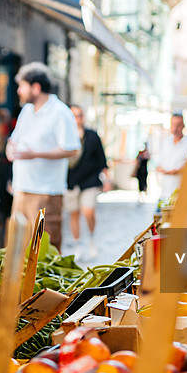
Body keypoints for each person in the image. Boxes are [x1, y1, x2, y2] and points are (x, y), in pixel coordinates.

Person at [6, 62, 80, 251]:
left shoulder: (61, 112)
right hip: (21, 189)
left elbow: (72, 149)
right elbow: (14, 140)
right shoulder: (27, 111)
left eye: (22, 86)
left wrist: (35, 154)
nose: (19, 91)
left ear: (36, 88)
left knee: (45, 250)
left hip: (46, 193)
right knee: (17, 249)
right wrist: (10, 148)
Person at [66, 105, 111, 259]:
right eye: (73, 116)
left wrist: (107, 180)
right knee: (74, 214)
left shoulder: (92, 135)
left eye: (78, 115)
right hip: (71, 181)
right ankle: (77, 245)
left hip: (90, 180)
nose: (76, 119)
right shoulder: (65, 135)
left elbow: (102, 159)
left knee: (88, 210)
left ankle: (92, 238)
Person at [156, 112, 187, 202]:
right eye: (173, 125)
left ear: (183, 126)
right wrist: (161, 169)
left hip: (182, 194)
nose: (175, 129)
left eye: (178, 125)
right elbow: (158, 162)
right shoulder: (165, 141)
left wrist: (176, 171)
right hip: (164, 193)